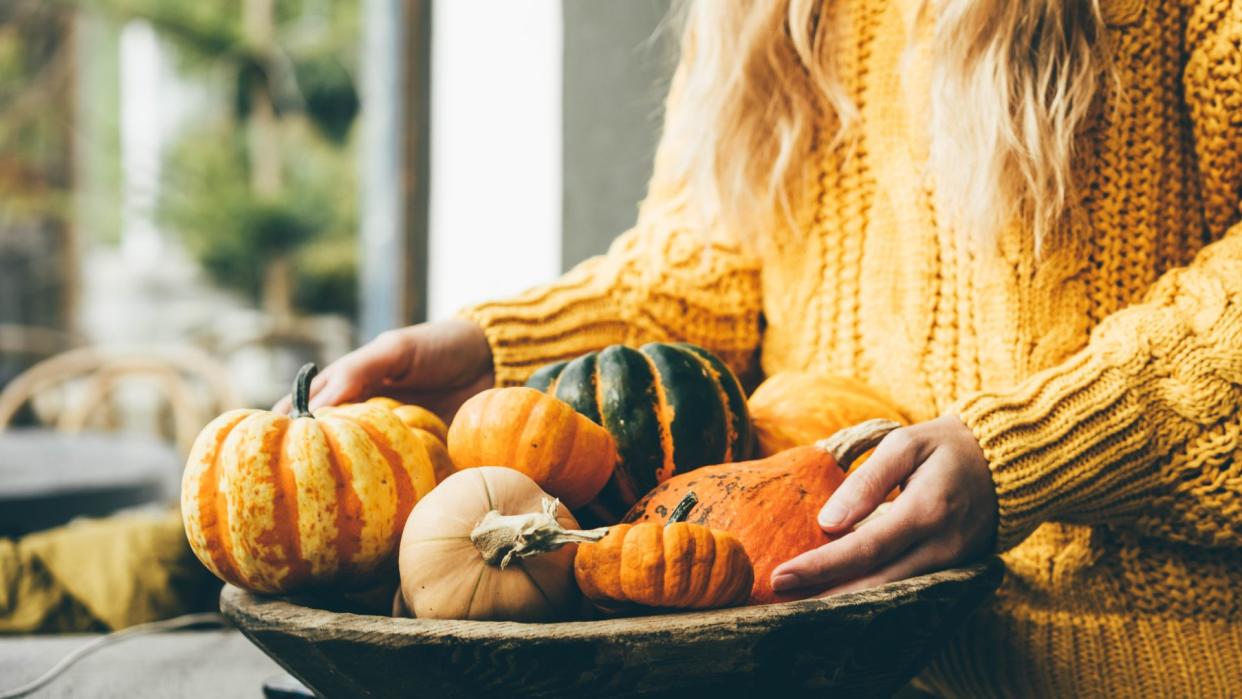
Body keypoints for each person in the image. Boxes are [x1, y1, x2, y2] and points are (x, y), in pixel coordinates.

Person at [281, 1, 1242, 695]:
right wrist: (500, 350)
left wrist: (1033, 450)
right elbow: (718, 263)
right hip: (815, 654)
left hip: (1135, 663)